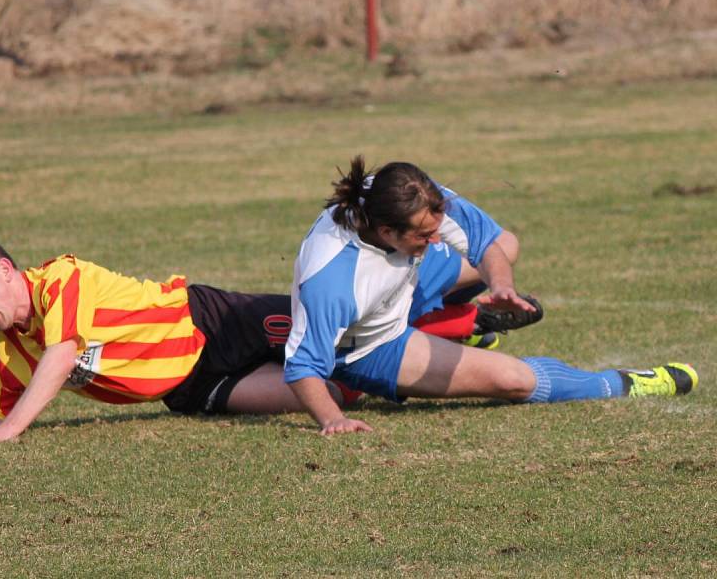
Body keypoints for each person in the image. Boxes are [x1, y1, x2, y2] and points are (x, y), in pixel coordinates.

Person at [283, 156, 699, 435]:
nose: (437, 237)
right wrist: (334, 420)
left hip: (399, 288)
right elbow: (303, 365)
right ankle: (625, 382)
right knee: (513, 380)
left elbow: (487, 244)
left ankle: (459, 319)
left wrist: (501, 286)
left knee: (507, 247)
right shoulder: (333, 280)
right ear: (388, 232)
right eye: (426, 235)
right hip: (371, 347)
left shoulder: (407, 195)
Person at [0, 239, 364, 444]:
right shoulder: (9, 355)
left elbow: (62, 355)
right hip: (189, 389)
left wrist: (9, 429)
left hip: (205, 321)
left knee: (346, 331)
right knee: (328, 390)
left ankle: (426, 317)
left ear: (6, 270)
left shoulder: (60, 279)